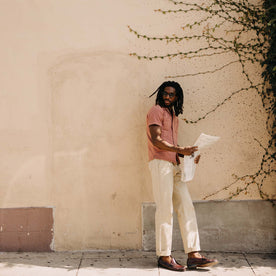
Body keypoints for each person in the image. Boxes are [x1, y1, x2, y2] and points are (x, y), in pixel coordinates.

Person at [146, 81, 218, 271]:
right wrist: (180, 149)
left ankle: (193, 255)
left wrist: (188, 156)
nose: (167, 97)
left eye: (172, 95)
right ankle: (164, 256)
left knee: (186, 206)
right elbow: (157, 140)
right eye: (165, 93)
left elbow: (173, 147)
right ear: (161, 93)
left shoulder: (173, 116)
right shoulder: (156, 111)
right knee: (165, 209)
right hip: (160, 164)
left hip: (174, 165)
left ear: (177, 97)